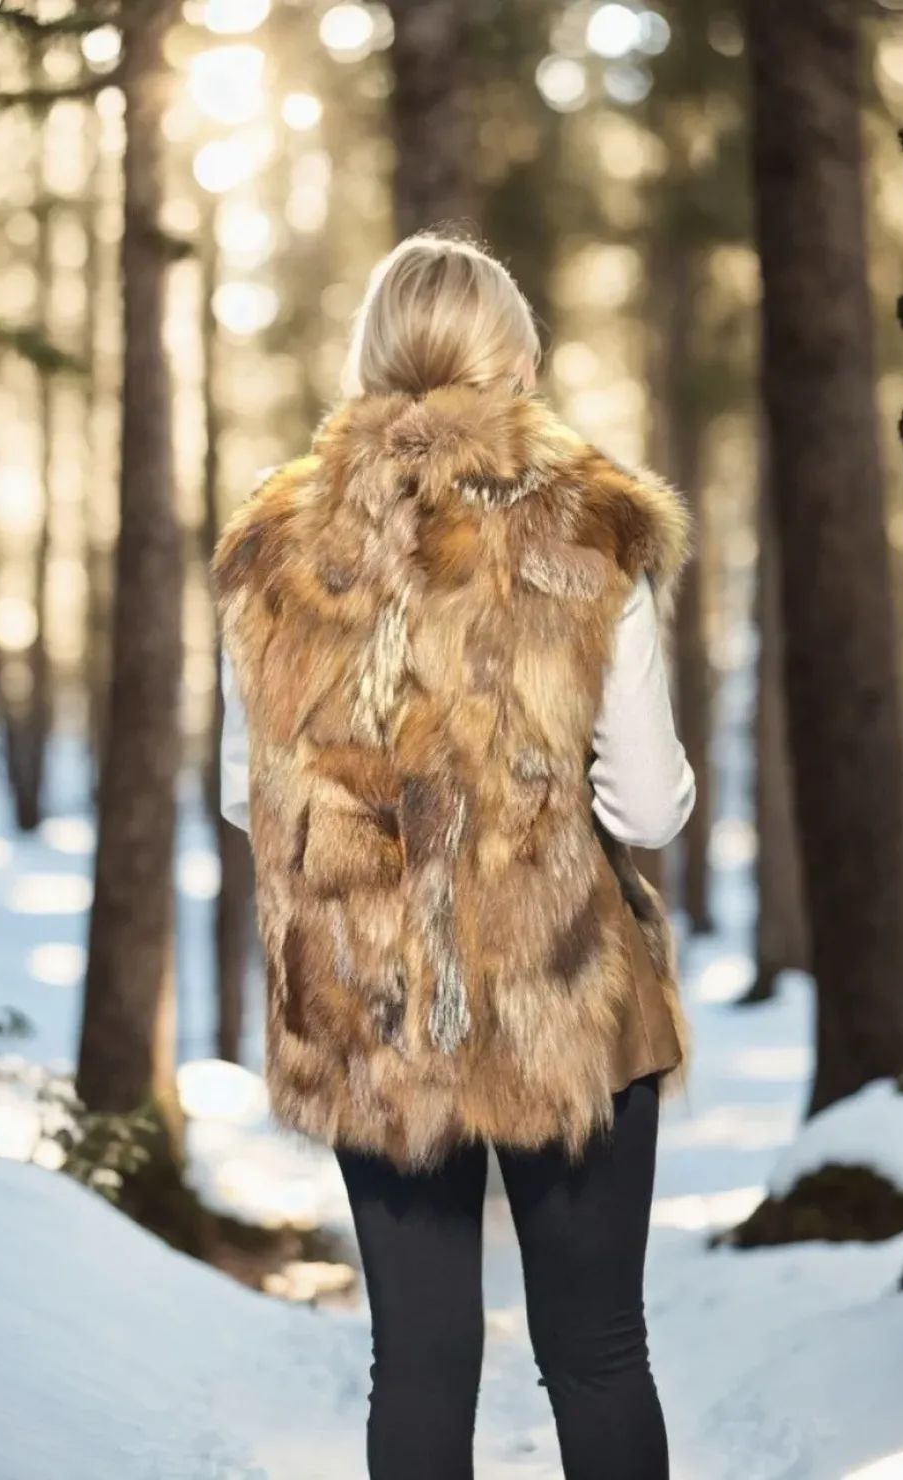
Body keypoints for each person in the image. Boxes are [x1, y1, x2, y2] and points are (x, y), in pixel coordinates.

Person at [214, 233, 695, 1480]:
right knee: (597, 1351)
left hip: (378, 1018)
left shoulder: (276, 548)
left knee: (418, 1358)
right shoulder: (589, 525)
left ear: (371, 361)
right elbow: (647, 805)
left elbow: (241, 793)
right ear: (519, 360)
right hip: (564, 998)